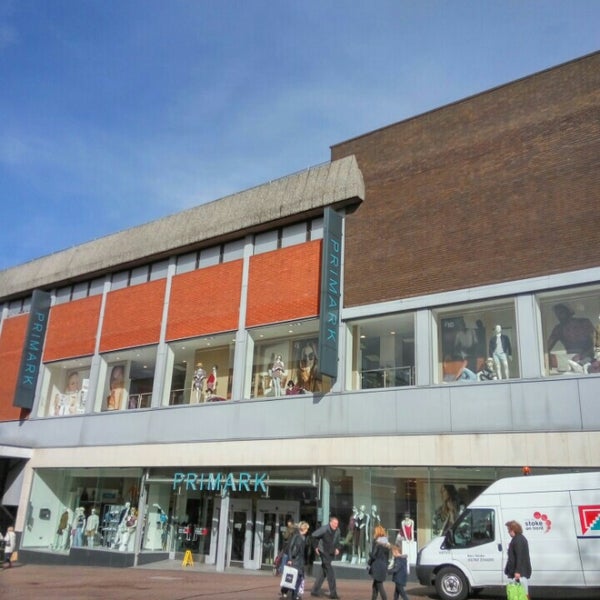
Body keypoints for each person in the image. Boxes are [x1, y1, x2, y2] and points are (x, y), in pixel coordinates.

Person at [547, 303, 595, 372]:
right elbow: (546, 348)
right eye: (557, 314)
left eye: (561, 312)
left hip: (590, 359)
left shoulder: (584, 323)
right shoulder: (558, 329)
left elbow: (596, 344)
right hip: (571, 361)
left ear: (569, 311)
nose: (559, 316)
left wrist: (582, 356)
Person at [310, 516, 341, 599]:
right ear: (330, 523)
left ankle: (314, 590)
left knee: (323, 572)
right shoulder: (324, 529)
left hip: (331, 553)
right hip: (323, 552)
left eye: (337, 524)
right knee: (330, 573)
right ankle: (333, 593)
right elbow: (313, 536)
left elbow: (338, 541)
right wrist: (315, 547)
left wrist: (337, 548)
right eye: (334, 523)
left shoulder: (338, 531)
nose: (336, 525)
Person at [504, 520, 532, 600]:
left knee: (521, 594)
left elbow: (519, 556)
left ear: (513, 530)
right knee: (521, 593)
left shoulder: (518, 540)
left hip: (520, 572)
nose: (508, 532)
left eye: (509, 530)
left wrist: (517, 571)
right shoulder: (518, 539)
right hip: (520, 571)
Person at [284, 521, 310, 600]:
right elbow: (291, 548)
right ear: (303, 528)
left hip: (300, 561)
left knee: (298, 578)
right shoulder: (297, 537)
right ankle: (291, 594)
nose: (307, 530)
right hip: (296, 561)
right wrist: (290, 559)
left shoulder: (303, 537)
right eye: (306, 529)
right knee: (295, 578)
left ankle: (293, 594)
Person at [367, 524, 390, 600]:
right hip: (383, 567)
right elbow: (387, 558)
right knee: (375, 587)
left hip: (377, 567)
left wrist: (369, 554)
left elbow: (374, 556)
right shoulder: (387, 544)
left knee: (380, 587)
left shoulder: (377, 543)